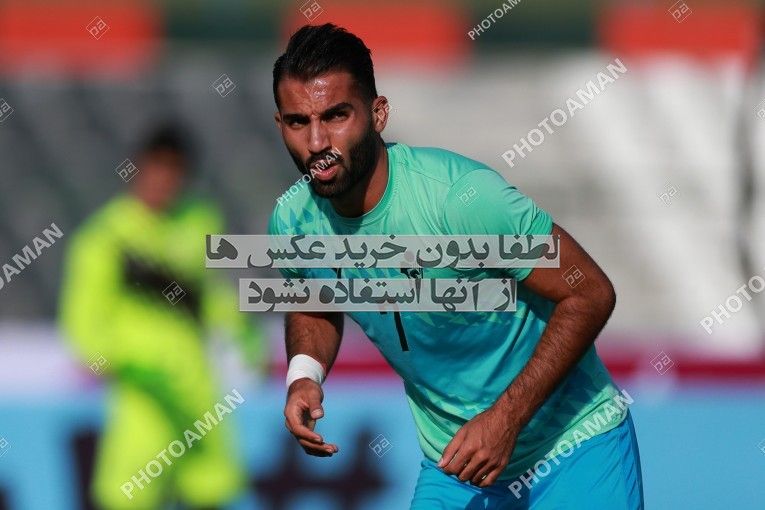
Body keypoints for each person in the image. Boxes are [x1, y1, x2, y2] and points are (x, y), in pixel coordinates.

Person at [268, 24, 643, 509]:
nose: (317, 141)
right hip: (457, 465)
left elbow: (589, 292)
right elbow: (314, 299)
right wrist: (304, 375)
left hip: (574, 445)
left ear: (378, 114)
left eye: (336, 116)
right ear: (280, 124)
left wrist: (506, 419)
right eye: (298, 122)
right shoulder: (292, 221)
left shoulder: (460, 199)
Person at [59, 123, 266, 510]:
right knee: (131, 494)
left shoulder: (199, 221)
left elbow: (213, 296)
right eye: (155, 168)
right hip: (144, 395)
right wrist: (125, 364)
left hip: (196, 389)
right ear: (137, 169)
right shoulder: (104, 238)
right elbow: (82, 327)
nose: (163, 180)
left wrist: (243, 331)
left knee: (212, 489)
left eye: (174, 171)